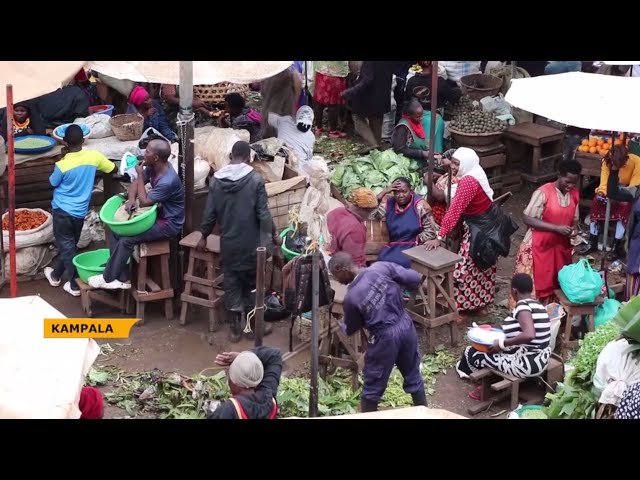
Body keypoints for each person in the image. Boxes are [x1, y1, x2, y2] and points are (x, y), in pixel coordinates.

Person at [196, 141, 279, 342]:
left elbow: (210, 213)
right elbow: (263, 213)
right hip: (252, 242)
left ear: (231, 156)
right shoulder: (255, 180)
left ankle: (234, 329)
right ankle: (251, 328)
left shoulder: (216, 181)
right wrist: (273, 233)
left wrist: (204, 236)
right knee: (252, 282)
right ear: (248, 157)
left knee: (231, 280)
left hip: (229, 243)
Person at [329, 252, 428, 412]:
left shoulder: (352, 297)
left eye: (335, 276)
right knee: (413, 375)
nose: (338, 281)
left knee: (372, 387)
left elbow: (352, 328)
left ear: (341, 269)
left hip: (385, 338)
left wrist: (341, 325)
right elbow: (414, 279)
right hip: (405, 324)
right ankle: (425, 413)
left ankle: (368, 415)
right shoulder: (381, 267)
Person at [88, 139, 184, 290]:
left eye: (147, 151)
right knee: (115, 228)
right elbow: (135, 185)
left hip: (168, 223)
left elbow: (145, 201)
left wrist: (139, 176)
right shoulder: (154, 167)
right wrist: (131, 199)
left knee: (127, 239)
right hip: (156, 214)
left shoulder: (168, 180)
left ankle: (108, 277)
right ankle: (121, 276)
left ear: (156, 157)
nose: (144, 153)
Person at [437, 147, 517, 320]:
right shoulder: (475, 170)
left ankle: (461, 308)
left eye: (457, 164)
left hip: (483, 227)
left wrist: (439, 236)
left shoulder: (468, 181)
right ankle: (480, 304)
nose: (453, 166)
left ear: (466, 163)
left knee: (466, 265)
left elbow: (454, 211)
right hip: (488, 223)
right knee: (484, 264)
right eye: (453, 162)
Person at [44, 125, 116, 296]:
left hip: (62, 210)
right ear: (83, 141)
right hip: (79, 212)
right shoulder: (94, 157)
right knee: (69, 245)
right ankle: (55, 275)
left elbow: (53, 183)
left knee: (68, 247)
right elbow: (112, 169)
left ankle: (75, 284)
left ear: (65, 142)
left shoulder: (62, 165)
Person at [457, 273, 552, 400]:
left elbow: (529, 334)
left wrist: (502, 344)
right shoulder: (538, 306)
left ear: (514, 291)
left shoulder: (522, 307)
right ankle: (491, 379)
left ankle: (487, 385)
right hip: (540, 359)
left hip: (527, 363)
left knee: (472, 353)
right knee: (495, 351)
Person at [511, 160, 582, 309]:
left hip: (559, 248)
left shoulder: (574, 194)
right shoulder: (543, 192)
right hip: (537, 245)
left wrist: (573, 230)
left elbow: (574, 219)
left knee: (553, 282)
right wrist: (556, 228)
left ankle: (549, 318)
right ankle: (526, 316)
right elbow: (527, 218)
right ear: (559, 176)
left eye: (574, 183)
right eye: (567, 182)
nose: (570, 186)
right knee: (534, 284)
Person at [583, 144, 640, 260]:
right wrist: (603, 193)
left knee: (625, 206)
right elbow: (604, 182)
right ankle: (592, 240)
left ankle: (616, 246)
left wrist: (618, 194)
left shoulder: (637, 161)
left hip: (627, 191)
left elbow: (634, 186)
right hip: (610, 190)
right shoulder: (608, 161)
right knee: (596, 202)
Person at [375, 177, 439, 268]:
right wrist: (382, 194)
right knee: (382, 261)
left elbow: (430, 231)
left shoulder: (420, 205)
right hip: (394, 245)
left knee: (402, 263)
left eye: (404, 191)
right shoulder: (389, 203)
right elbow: (375, 215)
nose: (400, 195)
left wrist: (417, 239)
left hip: (414, 245)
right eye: (397, 192)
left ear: (411, 191)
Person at [208, 347, 283, 419]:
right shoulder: (269, 397)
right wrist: (245, 358)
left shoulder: (229, 410)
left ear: (234, 382)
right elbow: (275, 355)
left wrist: (242, 357)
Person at [605, 151, 640, 300]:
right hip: (637, 250)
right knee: (632, 297)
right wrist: (614, 170)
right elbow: (613, 193)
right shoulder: (637, 192)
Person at [341, 61, 394, 150]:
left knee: (357, 118)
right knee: (376, 120)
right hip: (383, 94)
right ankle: (377, 147)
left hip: (369, 96)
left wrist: (351, 91)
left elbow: (367, 80)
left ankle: (372, 143)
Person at [326, 187, 378, 268]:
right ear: (365, 209)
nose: (369, 216)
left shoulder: (336, 212)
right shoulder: (355, 229)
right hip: (341, 270)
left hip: (328, 260)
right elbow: (354, 262)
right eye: (371, 212)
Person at [391, 99, 444, 166]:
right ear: (409, 115)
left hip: (418, 158)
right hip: (406, 161)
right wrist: (421, 153)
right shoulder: (402, 127)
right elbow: (399, 149)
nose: (421, 118)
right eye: (418, 117)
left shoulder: (416, 123)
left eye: (422, 115)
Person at [267, 105, 316, 173]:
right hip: (300, 170)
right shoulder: (311, 137)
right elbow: (309, 157)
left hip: (280, 163)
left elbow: (269, 117)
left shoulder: (285, 122)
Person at [312, 61, 349, 138]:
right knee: (333, 103)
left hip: (321, 70)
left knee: (319, 101)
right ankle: (333, 131)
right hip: (335, 73)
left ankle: (318, 128)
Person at [426, 148, 460, 227]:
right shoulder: (450, 174)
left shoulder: (457, 178)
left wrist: (429, 182)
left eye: (443, 161)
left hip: (443, 212)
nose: (441, 164)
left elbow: (440, 196)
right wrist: (440, 177)